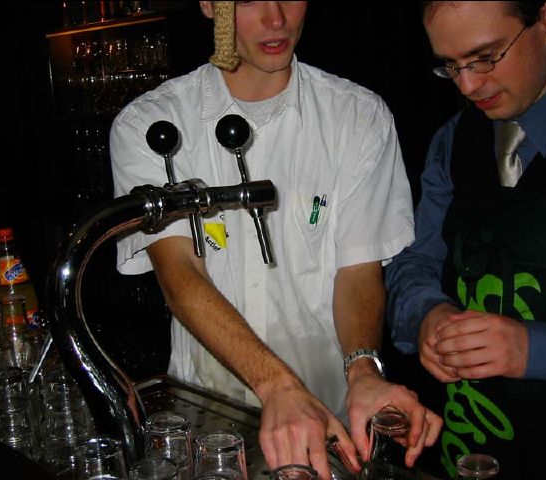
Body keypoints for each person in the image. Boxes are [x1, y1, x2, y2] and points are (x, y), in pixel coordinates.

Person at [111, 1, 442, 478]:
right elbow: (179, 271)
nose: (276, 19)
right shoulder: (151, 124)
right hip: (209, 423)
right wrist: (278, 386)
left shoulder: (357, 116)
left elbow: (357, 268)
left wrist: (363, 370)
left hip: (326, 424)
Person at [386, 1, 546, 479]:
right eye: (451, 66)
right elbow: (412, 263)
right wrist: (428, 314)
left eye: (486, 57)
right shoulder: (452, 139)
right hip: (462, 449)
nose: (468, 86)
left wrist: (536, 349)